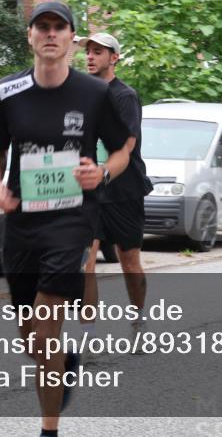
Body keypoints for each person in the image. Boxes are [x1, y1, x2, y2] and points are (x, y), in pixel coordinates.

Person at [0, 0, 134, 437]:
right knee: (32, 341)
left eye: (59, 28)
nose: (50, 34)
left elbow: (123, 148)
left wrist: (102, 171)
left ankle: (48, 429)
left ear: (71, 39)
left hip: (71, 222)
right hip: (22, 224)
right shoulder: (7, 91)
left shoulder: (95, 93)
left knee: (47, 325)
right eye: (42, 27)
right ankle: (64, 362)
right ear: (30, 36)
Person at [79, 32, 151, 355]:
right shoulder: (80, 93)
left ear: (114, 58)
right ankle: (89, 335)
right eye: (88, 51)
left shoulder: (125, 96)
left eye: (98, 52)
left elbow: (127, 144)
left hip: (123, 189)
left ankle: (138, 320)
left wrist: (106, 170)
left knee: (129, 261)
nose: (91, 57)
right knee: (85, 262)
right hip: (89, 191)